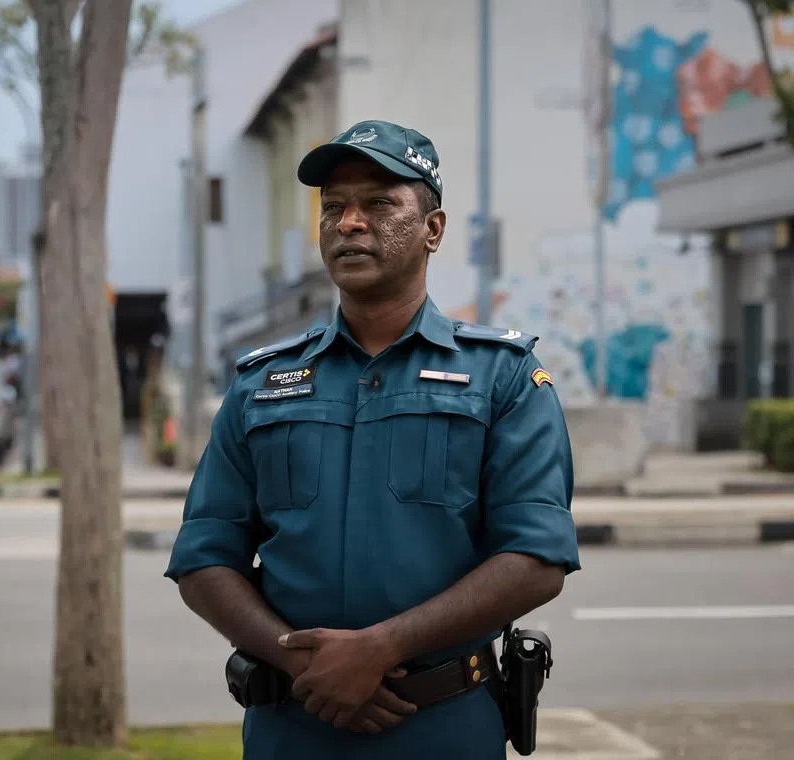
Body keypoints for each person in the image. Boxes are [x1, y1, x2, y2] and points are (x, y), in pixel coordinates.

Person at [164, 119, 580, 759]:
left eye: (379, 203)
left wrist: (381, 649)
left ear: (433, 229)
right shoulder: (261, 384)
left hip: (445, 728)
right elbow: (202, 558)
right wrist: (309, 667)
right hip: (292, 730)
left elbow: (536, 560)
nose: (349, 223)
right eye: (333, 208)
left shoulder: (506, 377)